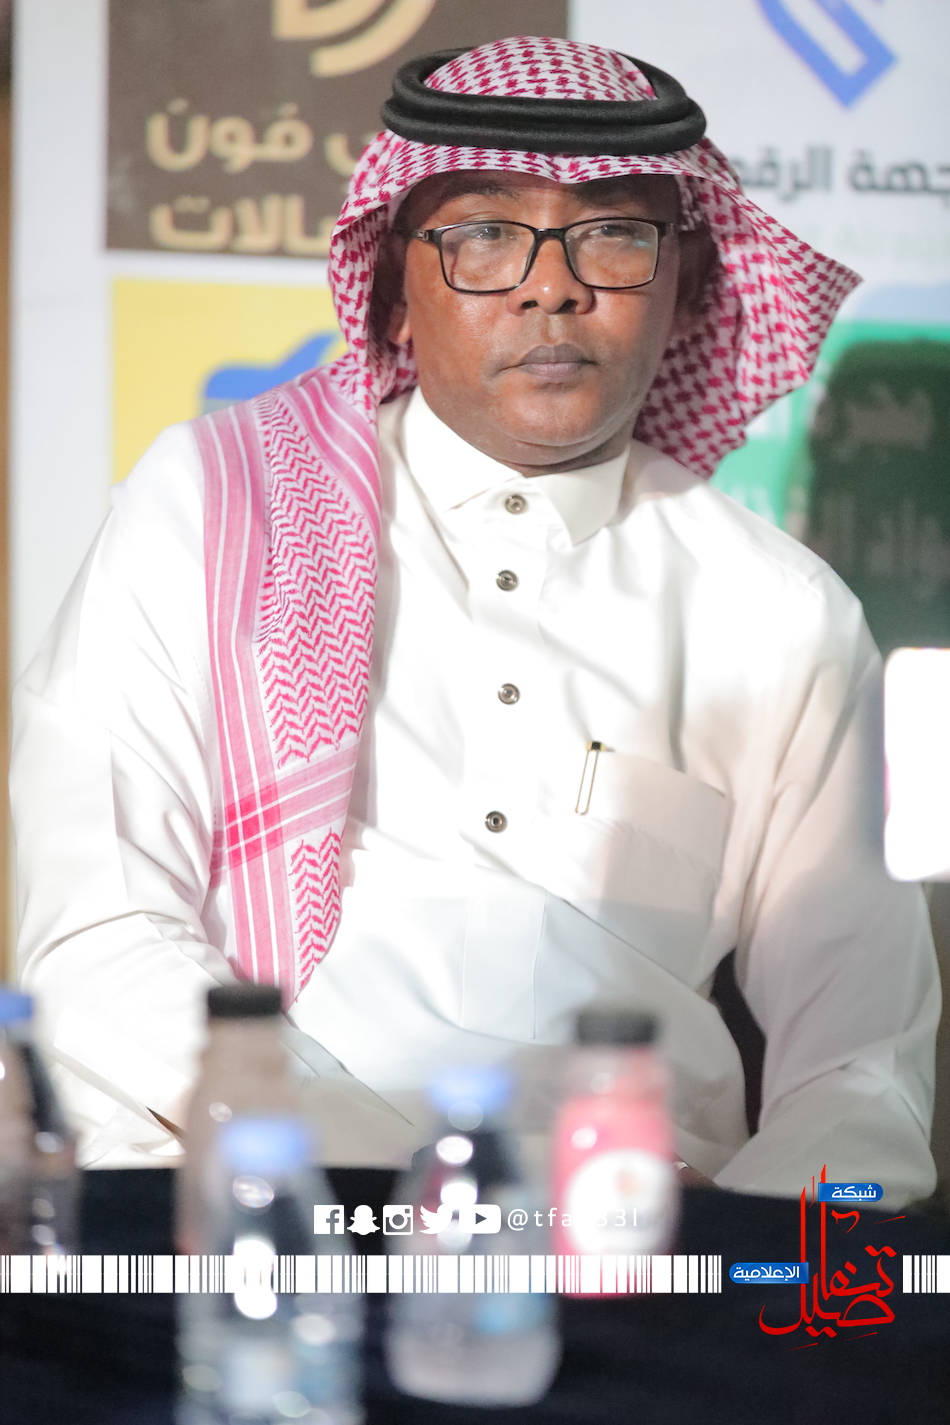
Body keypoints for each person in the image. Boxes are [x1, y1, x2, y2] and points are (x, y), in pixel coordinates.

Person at [11, 38, 939, 1202]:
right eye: (486, 234)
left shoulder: (779, 615)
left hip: (628, 1248)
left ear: (687, 286)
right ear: (394, 282)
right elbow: (97, 937)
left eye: (612, 234)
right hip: (255, 1205)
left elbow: (861, 1071)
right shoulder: (211, 509)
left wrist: (751, 1264)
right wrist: (402, 1183)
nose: (550, 287)